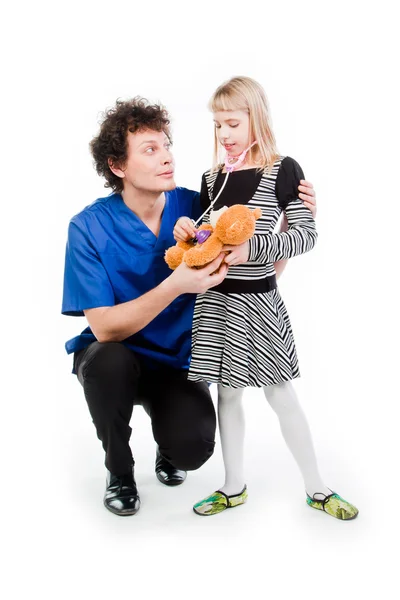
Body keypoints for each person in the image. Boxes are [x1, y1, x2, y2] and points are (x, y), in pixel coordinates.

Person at [61, 96, 317, 517]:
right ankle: (119, 471)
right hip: (116, 356)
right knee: (107, 362)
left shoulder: (201, 205)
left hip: (178, 363)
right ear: (117, 167)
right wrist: (175, 285)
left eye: (167, 145)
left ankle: (169, 447)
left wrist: (294, 221)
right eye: (150, 150)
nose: (167, 158)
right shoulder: (87, 227)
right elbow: (105, 329)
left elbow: (247, 265)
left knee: (192, 448)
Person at [174, 77, 358, 520]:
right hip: (215, 302)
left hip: (257, 302)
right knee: (228, 394)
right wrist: (188, 230)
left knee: (281, 393)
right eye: (218, 126)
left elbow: (305, 235)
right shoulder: (212, 177)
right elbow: (207, 236)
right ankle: (233, 486)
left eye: (233, 123)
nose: (224, 134)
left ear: (257, 116)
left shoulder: (284, 168)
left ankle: (317, 487)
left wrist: (252, 250)